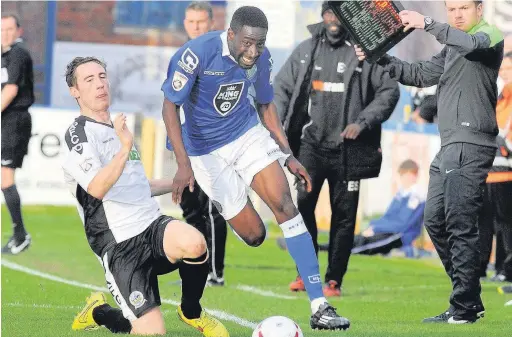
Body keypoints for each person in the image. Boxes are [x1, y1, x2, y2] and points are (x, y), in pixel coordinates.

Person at [161, 5, 350, 331]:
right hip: (205, 153)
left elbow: (265, 105)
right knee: (254, 235)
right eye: (247, 43)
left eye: (259, 44)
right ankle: (235, 202)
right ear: (231, 34)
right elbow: (169, 107)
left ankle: (319, 305)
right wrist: (182, 164)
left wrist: (288, 156)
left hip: (245, 134)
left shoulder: (261, 59)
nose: (253, 52)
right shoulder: (195, 54)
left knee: (285, 206)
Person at [355, 0, 504, 324]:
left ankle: (464, 308)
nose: (458, 14)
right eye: (452, 10)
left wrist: (427, 23)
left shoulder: (488, 35)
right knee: (435, 220)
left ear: (479, 9)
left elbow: (468, 41)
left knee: (460, 223)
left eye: (465, 8)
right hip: (449, 145)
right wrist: (380, 58)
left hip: (471, 143)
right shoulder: (451, 46)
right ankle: (469, 298)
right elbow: (419, 74)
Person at [62, 57, 228, 336]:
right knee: (150, 332)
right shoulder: (78, 135)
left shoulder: (117, 129)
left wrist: (181, 181)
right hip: (119, 244)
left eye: (102, 76)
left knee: (195, 242)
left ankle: (191, 312)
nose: (100, 84)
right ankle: (98, 312)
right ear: (75, 91)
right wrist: (124, 147)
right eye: (89, 80)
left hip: (151, 226)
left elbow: (137, 185)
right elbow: (97, 188)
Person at [273, 1, 399, 297]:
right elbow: (282, 87)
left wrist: (363, 121)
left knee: (344, 215)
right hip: (310, 146)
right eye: (327, 13)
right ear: (322, 16)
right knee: (302, 206)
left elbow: (389, 90)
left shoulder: (364, 51)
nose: (332, 19)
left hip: (349, 149)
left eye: (337, 13)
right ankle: (306, 272)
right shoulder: (307, 50)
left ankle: (333, 279)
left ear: (346, 17)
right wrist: (277, 123)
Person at [167, 0, 228, 286]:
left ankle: (216, 272)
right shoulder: (181, 56)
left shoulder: (222, 54)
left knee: (214, 207)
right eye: (190, 22)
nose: (195, 27)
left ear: (211, 23)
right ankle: (196, 266)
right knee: (191, 207)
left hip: (215, 143)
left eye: (200, 22)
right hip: (187, 144)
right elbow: (172, 102)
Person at [316, 160, 425, 257]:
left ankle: (333, 251)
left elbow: (403, 224)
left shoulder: (416, 197)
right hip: (388, 230)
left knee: (366, 243)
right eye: (403, 175)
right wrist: (374, 226)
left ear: (414, 176)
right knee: (358, 238)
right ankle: (327, 247)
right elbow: (388, 217)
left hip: (398, 235)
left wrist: (377, 228)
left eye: (408, 175)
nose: (404, 179)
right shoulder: (401, 194)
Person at [1, 14, 34, 255]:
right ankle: (19, 234)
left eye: (10, 29)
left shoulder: (18, 55)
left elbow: (11, 90)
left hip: (14, 120)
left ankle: (20, 235)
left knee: (5, 178)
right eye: (2, 29)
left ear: (18, 30)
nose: (5, 33)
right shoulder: (4, 56)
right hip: (5, 120)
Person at [479, 51, 512, 283]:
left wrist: (503, 143)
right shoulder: (498, 97)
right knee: (483, 222)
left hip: (506, 173)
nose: (504, 74)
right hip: (488, 170)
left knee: (505, 225)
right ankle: (481, 267)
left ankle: (505, 269)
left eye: (508, 70)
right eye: (503, 70)